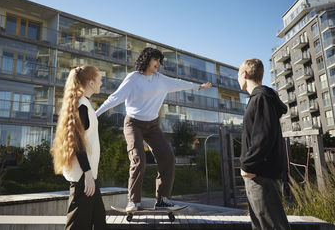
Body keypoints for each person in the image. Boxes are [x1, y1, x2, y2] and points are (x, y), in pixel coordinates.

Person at [95, 47, 212, 211]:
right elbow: (115, 98)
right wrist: (96, 114)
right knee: (138, 160)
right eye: (155, 60)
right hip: (133, 124)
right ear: (146, 60)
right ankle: (133, 201)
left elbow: (179, 83)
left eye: (159, 61)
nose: (158, 63)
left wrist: (197, 87)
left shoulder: (161, 79)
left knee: (168, 158)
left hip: (152, 126)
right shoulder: (133, 78)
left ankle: (163, 200)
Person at [51, 65, 107, 230]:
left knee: (99, 222)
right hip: (84, 177)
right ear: (90, 82)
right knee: (78, 225)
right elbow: (76, 142)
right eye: (99, 79)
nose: (102, 83)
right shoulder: (82, 105)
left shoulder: (84, 104)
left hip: (87, 177)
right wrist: (88, 174)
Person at [238, 59, 290, 230]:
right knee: (261, 224)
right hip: (259, 173)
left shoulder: (261, 98)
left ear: (244, 74)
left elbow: (263, 137)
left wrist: (248, 165)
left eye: (238, 74)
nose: (237, 79)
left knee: (271, 225)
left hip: (261, 174)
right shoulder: (260, 98)